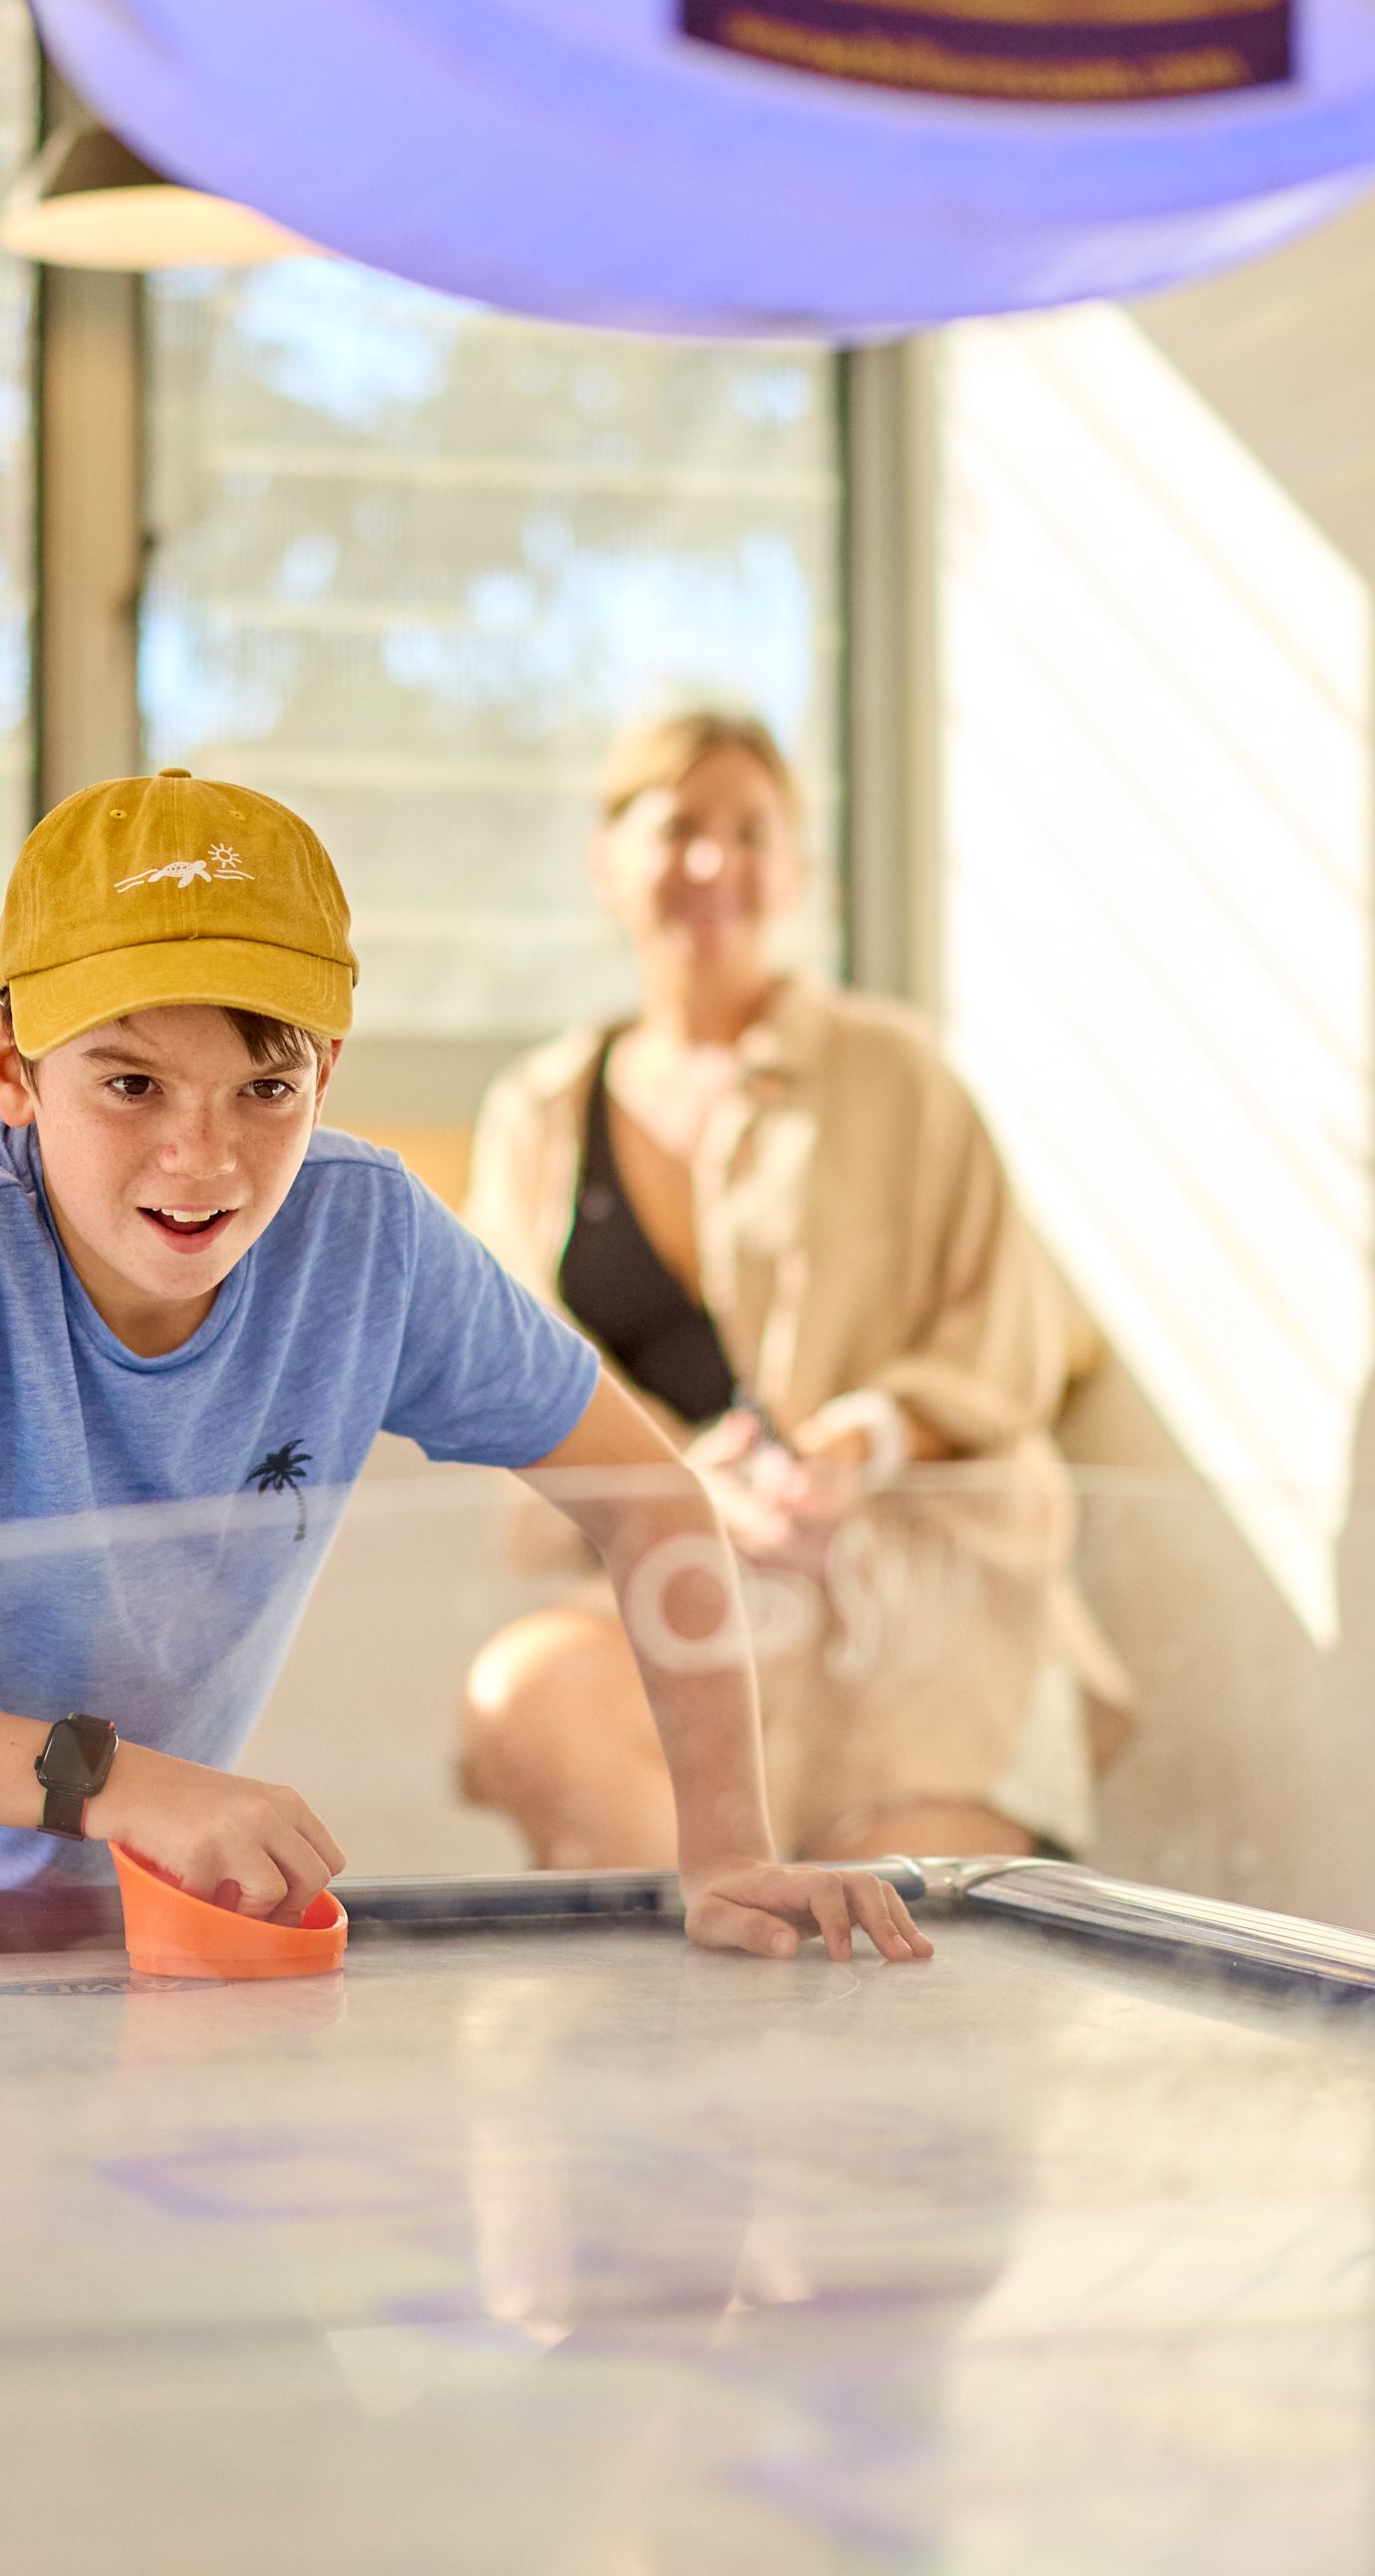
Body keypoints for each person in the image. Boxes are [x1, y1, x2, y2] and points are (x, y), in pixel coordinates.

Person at [0, 766, 927, 1964]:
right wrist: (122, 1783)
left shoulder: (372, 1241)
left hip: (47, 1912)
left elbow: (652, 1501)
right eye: (130, 1086)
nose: (203, 1159)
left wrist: (731, 1848)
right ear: (10, 1064)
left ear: (328, 1072)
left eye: (264, 1088)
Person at [454, 710, 1128, 1869]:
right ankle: (702, 2014)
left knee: (909, 1934)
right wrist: (674, 1486)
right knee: (529, 1704)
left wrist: (860, 1441)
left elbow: (1006, 1338)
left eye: (751, 832)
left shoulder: (901, 1074)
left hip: (915, 1596)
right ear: (605, 864)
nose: (714, 863)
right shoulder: (537, 1113)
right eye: (678, 828)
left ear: (799, 873)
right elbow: (501, 1376)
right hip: (683, 1575)